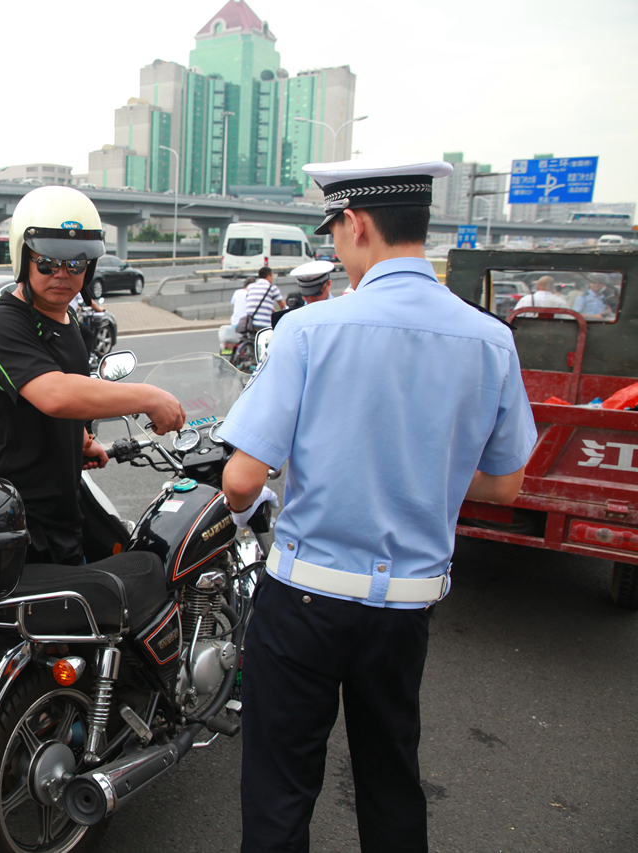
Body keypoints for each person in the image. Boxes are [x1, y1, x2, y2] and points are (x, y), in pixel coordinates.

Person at [218, 158, 537, 853]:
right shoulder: (491, 338)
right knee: (392, 783)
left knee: (280, 794)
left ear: (356, 223)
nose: (334, 247)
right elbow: (505, 487)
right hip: (405, 609)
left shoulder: (311, 330)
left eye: (334, 231)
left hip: (306, 600)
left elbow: (242, 480)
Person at [0, 186, 185, 565]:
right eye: (48, 263)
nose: (62, 274)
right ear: (23, 258)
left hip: (62, 512)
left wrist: (83, 439)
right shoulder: (1, 323)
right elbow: (55, 394)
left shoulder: (69, 321)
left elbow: (65, 394)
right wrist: (150, 396)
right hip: (14, 525)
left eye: (77, 263)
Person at [271, 259, 335, 328]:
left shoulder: (339, 310)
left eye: (316, 293)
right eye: (305, 294)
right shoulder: (292, 312)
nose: (310, 298)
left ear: (328, 284)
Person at [241, 266, 284, 330]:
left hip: (249, 324)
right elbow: (283, 306)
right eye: (272, 276)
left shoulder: (250, 287)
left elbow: (251, 302)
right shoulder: (272, 288)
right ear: (269, 276)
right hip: (265, 325)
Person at [219, 282, 250, 354]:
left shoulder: (237, 292)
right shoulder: (251, 294)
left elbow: (233, 304)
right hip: (244, 324)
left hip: (234, 323)